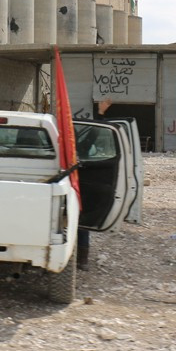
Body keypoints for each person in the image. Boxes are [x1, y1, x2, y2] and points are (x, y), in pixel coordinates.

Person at [77, 97, 113, 270]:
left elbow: (92, 136)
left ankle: (80, 259)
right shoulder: (78, 149)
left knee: (79, 223)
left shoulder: (75, 149)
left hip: (77, 191)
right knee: (80, 224)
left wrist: (100, 114)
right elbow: (93, 136)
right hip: (76, 192)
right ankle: (81, 260)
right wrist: (100, 114)